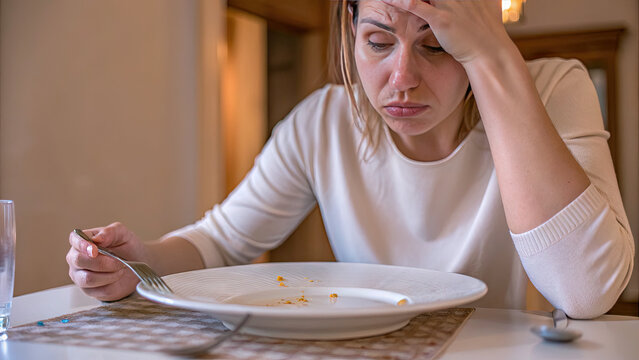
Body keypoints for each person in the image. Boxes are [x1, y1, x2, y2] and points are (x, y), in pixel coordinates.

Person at [66, 0, 634, 319]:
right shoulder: (323, 123)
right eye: (379, 43)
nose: (403, 79)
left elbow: (587, 292)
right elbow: (220, 242)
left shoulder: (553, 88)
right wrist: (143, 261)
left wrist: (493, 61)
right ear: (351, 35)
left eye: (437, 44)